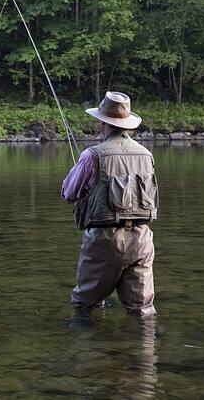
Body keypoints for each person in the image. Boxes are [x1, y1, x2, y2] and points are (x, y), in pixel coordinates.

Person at [61, 91, 158, 319]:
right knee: (142, 311)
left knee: (85, 303)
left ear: (103, 123)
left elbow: (68, 193)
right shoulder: (146, 155)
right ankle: (144, 350)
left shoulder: (92, 155)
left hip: (104, 239)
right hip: (142, 239)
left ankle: (91, 348)